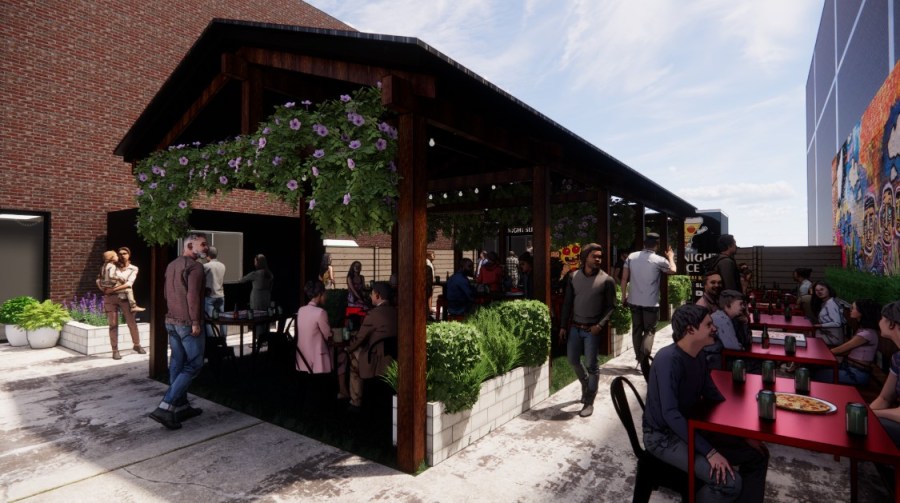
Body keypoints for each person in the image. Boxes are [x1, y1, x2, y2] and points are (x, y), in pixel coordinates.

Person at [644, 304, 769, 502]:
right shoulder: (667, 359)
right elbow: (670, 414)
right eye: (708, 325)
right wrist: (710, 452)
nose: (715, 328)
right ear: (690, 330)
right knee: (729, 482)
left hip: (692, 429)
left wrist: (743, 435)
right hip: (664, 438)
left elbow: (713, 395)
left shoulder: (699, 355)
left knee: (758, 455)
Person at [148, 232, 208, 430]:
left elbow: (167, 293)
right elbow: (192, 296)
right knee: (194, 364)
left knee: (177, 362)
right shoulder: (196, 267)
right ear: (190, 246)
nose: (206, 248)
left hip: (171, 321)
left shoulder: (172, 265)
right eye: (203, 244)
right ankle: (165, 407)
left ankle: (181, 406)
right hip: (187, 323)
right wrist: (195, 322)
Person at [558, 243, 616, 417]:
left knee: (592, 365)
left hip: (592, 330)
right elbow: (567, 303)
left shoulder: (607, 280)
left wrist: (600, 325)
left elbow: (611, 307)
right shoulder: (573, 277)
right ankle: (586, 384)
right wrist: (563, 326)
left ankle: (589, 401)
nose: (598, 259)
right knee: (573, 360)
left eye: (600, 257)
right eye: (594, 256)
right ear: (585, 258)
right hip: (575, 328)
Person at [620, 233, 676, 378]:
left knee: (637, 330)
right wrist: (670, 256)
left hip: (633, 301)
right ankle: (644, 359)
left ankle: (639, 358)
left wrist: (623, 296)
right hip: (651, 302)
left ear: (644, 243)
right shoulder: (659, 260)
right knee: (649, 331)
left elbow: (624, 279)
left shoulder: (631, 257)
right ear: (657, 245)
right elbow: (673, 269)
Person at [344, 282, 397, 412]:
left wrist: (348, 348)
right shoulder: (396, 312)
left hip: (376, 358)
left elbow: (360, 338)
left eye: (372, 293)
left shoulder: (373, 314)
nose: (370, 296)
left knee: (353, 358)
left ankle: (355, 401)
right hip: (393, 356)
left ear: (378, 296)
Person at [813, 298, 881, 385]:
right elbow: (846, 351)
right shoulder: (864, 331)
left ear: (862, 312)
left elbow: (840, 350)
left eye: (853, 308)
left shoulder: (866, 334)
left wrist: (818, 354)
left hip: (855, 374)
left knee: (815, 374)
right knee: (815, 368)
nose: (850, 310)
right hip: (850, 368)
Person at [96, 246, 145, 360]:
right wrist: (103, 289)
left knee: (131, 323)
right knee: (113, 325)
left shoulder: (133, 268)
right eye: (120, 253)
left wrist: (112, 290)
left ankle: (137, 345)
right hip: (110, 299)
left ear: (129, 255)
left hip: (124, 299)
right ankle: (115, 350)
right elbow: (98, 279)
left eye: (125, 253)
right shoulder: (111, 266)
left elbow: (129, 284)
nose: (122, 255)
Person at [871, 301, 900, 448]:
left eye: (882, 318)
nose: (879, 322)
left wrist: (873, 414)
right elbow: (884, 398)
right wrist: (868, 413)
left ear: (892, 323)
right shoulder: (897, 358)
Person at [705, 289, 749, 370]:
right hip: (713, 362)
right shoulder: (722, 320)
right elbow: (733, 346)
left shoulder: (722, 316)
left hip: (715, 358)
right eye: (740, 304)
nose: (743, 307)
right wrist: (741, 347)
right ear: (728, 305)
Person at [811, 280, 844, 347]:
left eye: (822, 289)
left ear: (828, 290)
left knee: (809, 339)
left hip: (833, 337)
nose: (819, 292)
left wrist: (820, 325)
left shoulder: (831, 303)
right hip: (826, 333)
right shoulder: (824, 302)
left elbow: (837, 323)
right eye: (816, 290)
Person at [203, 246, 226, 338]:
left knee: (209, 320)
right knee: (223, 319)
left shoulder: (206, 266)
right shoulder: (222, 265)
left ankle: (212, 340)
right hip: (221, 295)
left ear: (207, 255)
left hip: (210, 296)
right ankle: (223, 339)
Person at [425, 251, 436, 317]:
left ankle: (430, 308)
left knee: (430, 295)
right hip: (429, 282)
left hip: (431, 281)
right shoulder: (427, 262)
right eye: (432, 255)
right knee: (429, 295)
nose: (434, 256)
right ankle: (429, 308)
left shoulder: (430, 263)